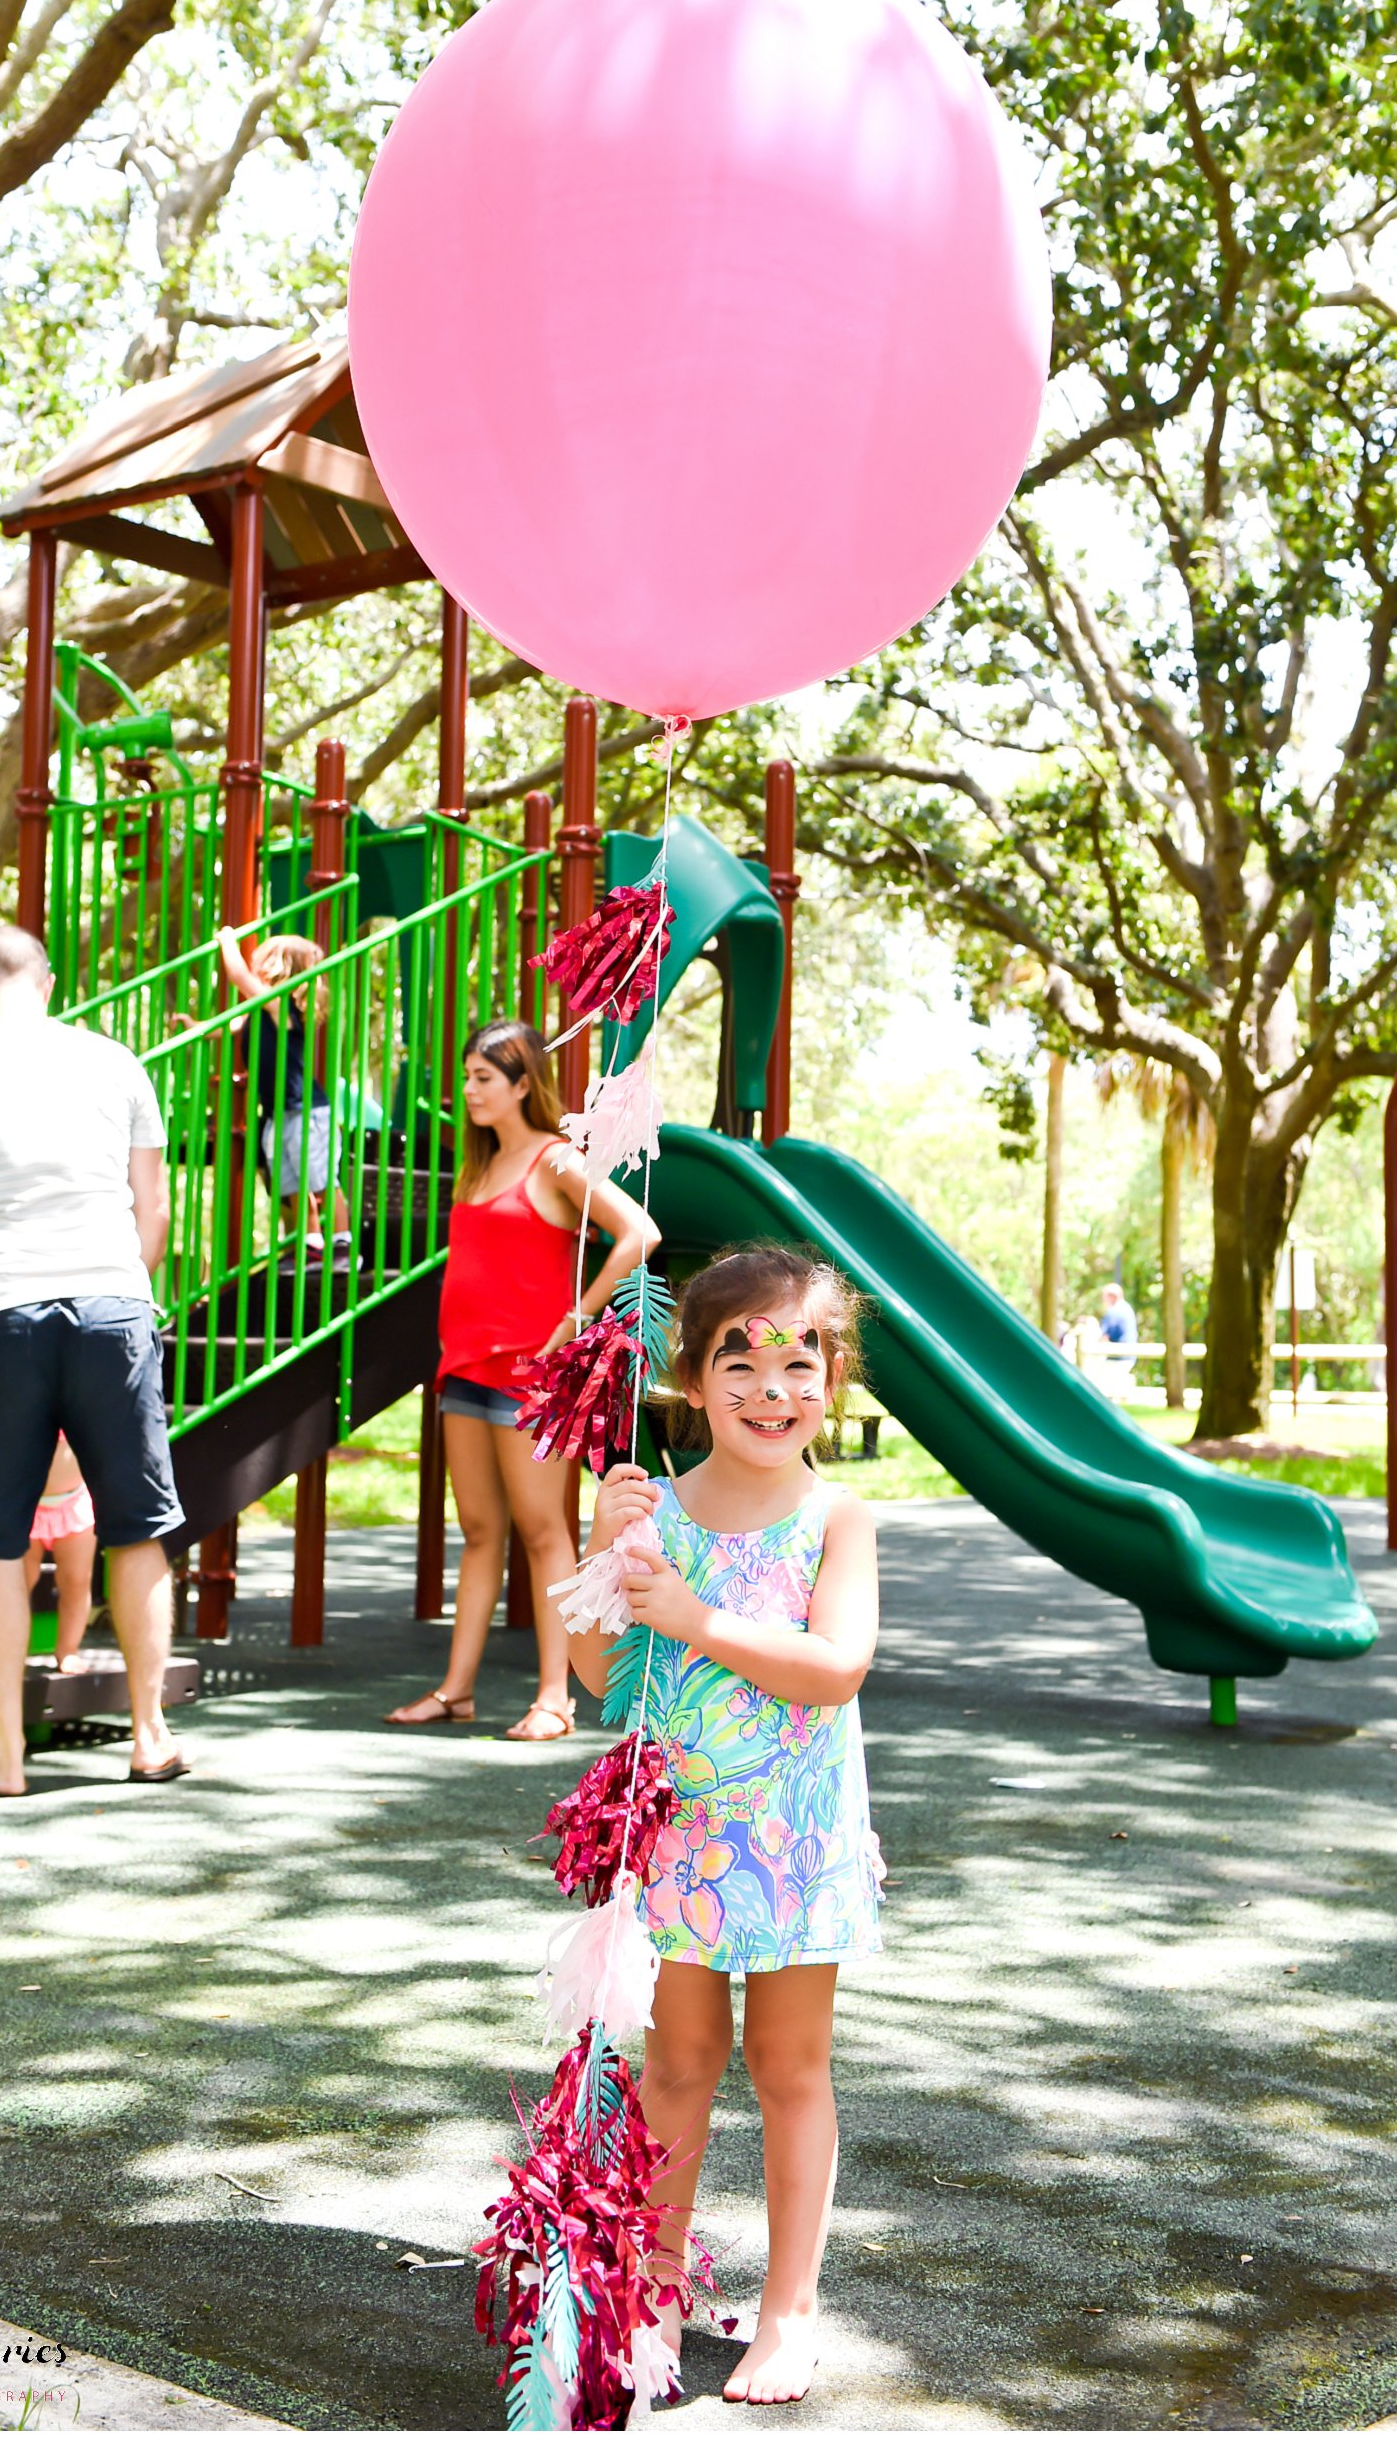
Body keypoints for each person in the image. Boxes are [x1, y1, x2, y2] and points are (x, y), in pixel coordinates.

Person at [567, 1244, 883, 2408]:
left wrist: (696, 1614)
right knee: (679, 2060)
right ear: (690, 1380)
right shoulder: (658, 1508)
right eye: (737, 1360)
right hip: (683, 1840)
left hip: (794, 1839)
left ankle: (791, 2310)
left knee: (788, 2065)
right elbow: (602, 1674)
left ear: (833, 1380)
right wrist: (606, 1547)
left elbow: (834, 1668)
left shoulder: (835, 1517)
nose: (770, 1388)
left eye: (799, 1361)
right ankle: (655, 2279)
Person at [0, 924, 186, 1797]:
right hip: (112, 1304)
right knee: (135, 1528)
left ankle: (7, 1757)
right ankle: (148, 1736)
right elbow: (155, 1212)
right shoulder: (116, 1063)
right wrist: (129, 1298)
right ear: (50, 982)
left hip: (2, 1316)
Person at [385, 1016, 660, 1743]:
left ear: (522, 1083)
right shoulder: (477, 1165)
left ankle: (555, 1697)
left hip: (530, 1379)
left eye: (484, 1078)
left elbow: (639, 1232)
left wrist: (576, 1317)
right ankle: (455, 1690)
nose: (470, 1090)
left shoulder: (556, 1160)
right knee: (478, 1531)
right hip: (464, 1369)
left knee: (545, 1533)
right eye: (469, 1075)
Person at [214, 925, 349, 1256]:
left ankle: (342, 1241)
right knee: (292, 1183)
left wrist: (227, 941)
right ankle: (312, 1241)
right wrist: (196, 1028)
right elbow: (228, 1028)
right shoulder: (261, 1013)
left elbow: (238, 977)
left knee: (320, 1180)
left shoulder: (280, 1006)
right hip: (278, 1112)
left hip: (305, 1110)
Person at [22, 1436, 99, 1673]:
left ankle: (68, 1649)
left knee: (76, 1580)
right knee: (18, 1581)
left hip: (73, 1501)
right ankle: (11, 1648)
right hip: (23, 1501)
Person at [1098, 1280, 1138, 1384]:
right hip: (1129, 1357)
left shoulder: (1114, 1311)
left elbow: (1104, 1338)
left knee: (1100, 1383)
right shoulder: (1127, 1308)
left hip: (1118, 1359)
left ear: (1112, 1296)